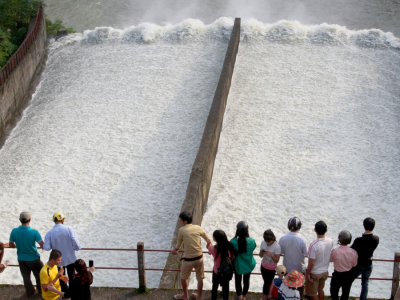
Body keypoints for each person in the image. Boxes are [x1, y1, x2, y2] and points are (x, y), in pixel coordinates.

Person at [171, 211, 212, 300]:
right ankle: (198, 297)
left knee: (183, 277)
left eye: (180, 220)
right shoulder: (198, 228)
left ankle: (185, 296)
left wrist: (174, 250)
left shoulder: (182, 230)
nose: (180, 222)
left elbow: (178, 246)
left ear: (185, 221)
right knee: (200, 278)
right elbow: (208, 239)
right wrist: (208, 245)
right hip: (199, 257)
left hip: (188, 259)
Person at [9, 212, 44, 297]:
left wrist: (15, 246)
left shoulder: (14, 231)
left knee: (26, 277)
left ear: (20, 220)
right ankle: (40, 291)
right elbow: (42, 244)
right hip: (33, 258)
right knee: (39, 275)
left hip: (21, 258)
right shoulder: (34, 232)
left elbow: (10, 244)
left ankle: (30, 292)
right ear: (30, 220)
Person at [43, 212, 81, 284]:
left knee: (61, 277)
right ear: (62, 220)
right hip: (70, 258)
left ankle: (64, 293)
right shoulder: (69, 229)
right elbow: (75, 241)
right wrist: (77, 248)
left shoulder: (49, 233)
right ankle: (72, 292)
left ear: (54, 221)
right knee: (72, 276)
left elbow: (47, 247)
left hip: (58, 260)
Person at [279, 217, 308, 299]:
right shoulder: (303, 240)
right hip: (300, 270)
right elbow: (307, 254)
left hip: (287, 270)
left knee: (287, 290)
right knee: (300, 291)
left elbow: (280, 252)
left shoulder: (283, 239)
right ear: (299, 227)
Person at [351, 217, 379, 300]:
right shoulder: (376, 239)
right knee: (365, 283)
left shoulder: (359, 240)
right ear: (374, 226)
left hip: (359, 264)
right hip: (369, 263)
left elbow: (351, 250)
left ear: (364, 226)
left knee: (348, 280)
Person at [305, 221, 334, 300]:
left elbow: (311, 263)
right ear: (326, 230)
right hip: (324, 271)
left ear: (315, 230)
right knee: (321, 290)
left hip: (315, 273)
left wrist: (308, 274)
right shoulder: (331, 241)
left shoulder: (313, 245)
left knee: (312, 294)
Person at [231, 221, 256, 300]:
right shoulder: (252, 241)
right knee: (246, 280)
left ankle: (239, 295)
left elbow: (230, 247)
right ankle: (244, 296)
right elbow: (254, 247)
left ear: (237, 231)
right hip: (249, 264)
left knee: (238, 281)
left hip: (238, 265)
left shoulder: (234, 242)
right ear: (247, 231)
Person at [208, 230, 236, 300]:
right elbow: (232, 257)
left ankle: (214, 298)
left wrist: (209, 243)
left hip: (217, 271)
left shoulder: (214, 248)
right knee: (226, 288)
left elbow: (209, 249)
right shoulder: (229, 246)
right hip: (226, 271)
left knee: (215, 287)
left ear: (216, 239)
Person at [330, 230, 358, 300]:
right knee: (345, 293)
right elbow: (354, 264)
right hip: (348, 275)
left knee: (334, 292)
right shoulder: (354, 252)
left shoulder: (335, 251)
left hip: (337, 275)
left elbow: (330, 260)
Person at [259, 229, 281, 300]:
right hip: (263, 267)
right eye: (266, 241)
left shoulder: (277, 246)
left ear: (273, 238)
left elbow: (277, 260)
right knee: (267, 284)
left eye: (269, 241)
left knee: (266, 284)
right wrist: (262, 252)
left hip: (271, 269)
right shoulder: (263, 243)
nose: (267, 243)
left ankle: (265, 298)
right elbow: (260, 256)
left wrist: (271, 255)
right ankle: (269, 296)